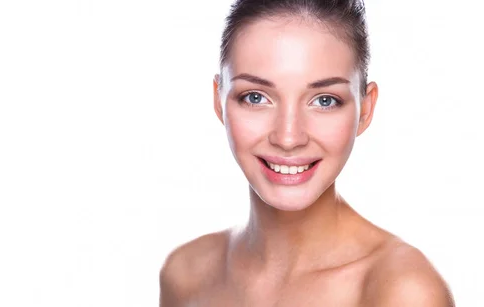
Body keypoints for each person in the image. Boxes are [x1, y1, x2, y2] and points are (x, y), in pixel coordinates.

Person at [160, 0, 454, 306]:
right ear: (219, 101)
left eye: (324, 100)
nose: (288, 138)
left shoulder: (400, 291)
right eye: (256, 97)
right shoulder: (185, 275)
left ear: (365, 110)